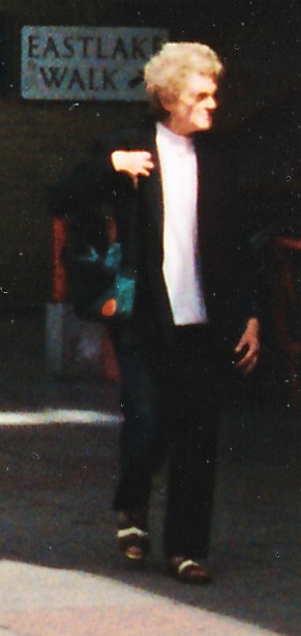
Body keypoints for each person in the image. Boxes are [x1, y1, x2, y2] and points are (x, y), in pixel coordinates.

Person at [69, 42, 263, 583]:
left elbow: (236, 245)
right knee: (150, 423)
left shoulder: (219, 158)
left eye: (213, 93)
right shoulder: (129, 146)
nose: (212, 104)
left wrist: (249, 315)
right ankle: (132, 503)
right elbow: (61, 196)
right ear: (171, 97)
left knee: (199, 434)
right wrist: (111, 167)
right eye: (202, 94)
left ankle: (187, 550)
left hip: (206, 320)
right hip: (144, 318)